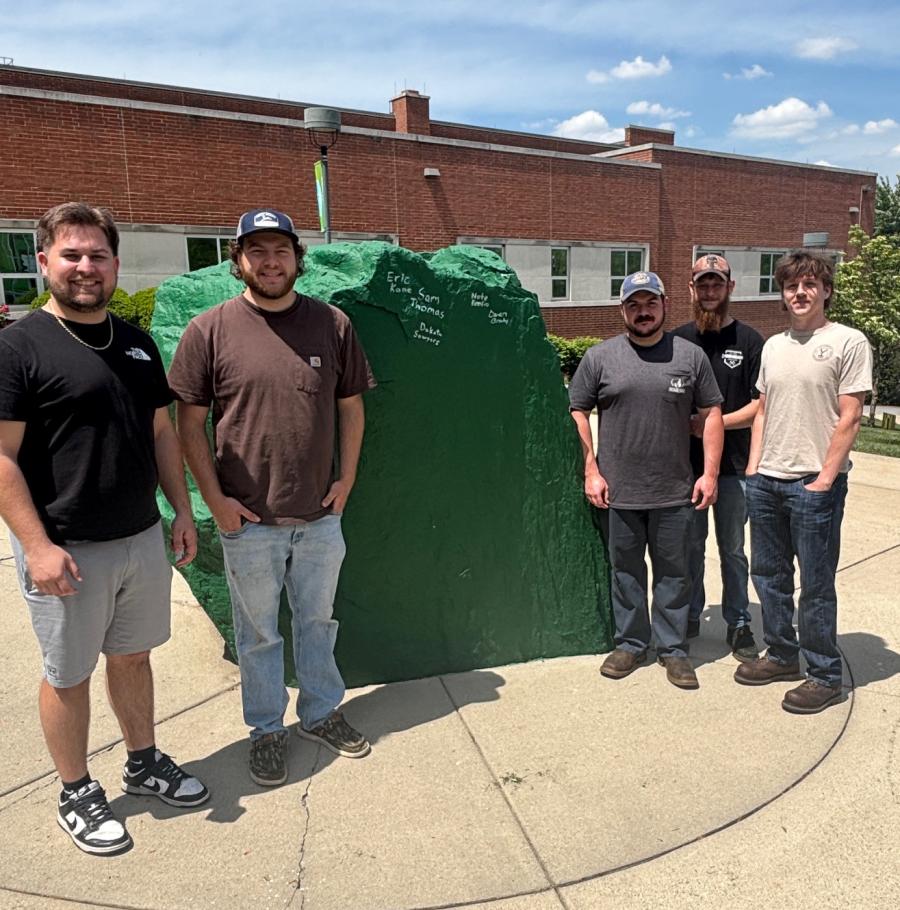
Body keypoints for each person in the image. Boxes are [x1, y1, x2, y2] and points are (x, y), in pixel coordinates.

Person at [0, 202, 208, 857]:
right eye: (72, 255)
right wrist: (36, 546)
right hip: (66, 548)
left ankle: (143, 761)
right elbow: (1, 457)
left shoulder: (137, 343)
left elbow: (161, 433)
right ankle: (75, 791)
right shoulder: (17, 346)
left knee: (133, 657)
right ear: (43, 262)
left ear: (115, 263)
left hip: (140, 537)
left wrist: (179, 510)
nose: (85, 267)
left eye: (97, 255)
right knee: (68, 674)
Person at [169, 209, 375, 787]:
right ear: (238, 260)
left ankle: (319, 713)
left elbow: (351, 408)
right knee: (258, 633)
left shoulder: (331, 325)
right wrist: (215, 503)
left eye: (280, 250)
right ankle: (265, 729)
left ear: (296, 258)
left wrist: (347, 480)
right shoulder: (208, 330)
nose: (270, 261)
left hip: (319, 517)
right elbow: (189, 425)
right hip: (248, 520)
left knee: (318, 622)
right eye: (256, 251)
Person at [569, 271, 724, 690]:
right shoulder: (599, 357)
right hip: (619, 491)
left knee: (675, 573)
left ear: (664, 305)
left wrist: (710, 474)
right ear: (623, 310)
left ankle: (673, 650)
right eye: (634, 305)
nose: (643, 312)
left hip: (674, 489)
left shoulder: (689, 356)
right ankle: (631, 643)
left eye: (649, 303)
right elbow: (577, 410)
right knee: (626, 571)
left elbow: (712, 415)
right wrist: (591, 468)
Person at [735, 250, 872, 713]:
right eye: (792, 286)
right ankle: (782, 655)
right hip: (767, 481)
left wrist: (825, 479)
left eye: (810, 284)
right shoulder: (773, 346)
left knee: (815, 583)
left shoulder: (848, 342)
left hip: (815, 484)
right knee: (769, 577)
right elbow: (764, 409)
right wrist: (754, 469)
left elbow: (850, 416)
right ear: (783, 293)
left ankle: (824, 674)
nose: (800, 292)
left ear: (826, 291)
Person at [673, 254, 762, 661]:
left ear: (730, 288)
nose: (709, 292)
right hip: (685, 467)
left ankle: (739, 622)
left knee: (732, 549)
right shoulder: (677, 340)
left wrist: (712, 424)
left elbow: (761, 406)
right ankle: (689, 615)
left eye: (716, 284)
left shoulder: (749, 341)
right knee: (689, 547)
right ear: (692, 290)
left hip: (734, 468)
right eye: (702, 284)